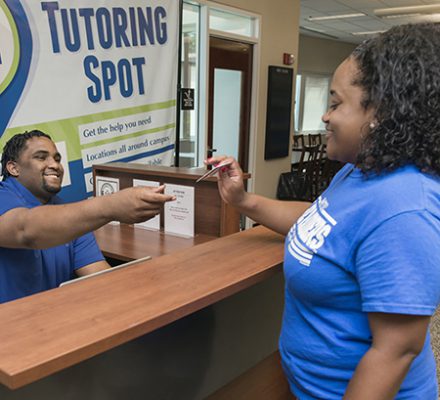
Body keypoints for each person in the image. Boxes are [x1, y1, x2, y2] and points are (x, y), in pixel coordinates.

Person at [208, 23, 440, 399]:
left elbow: (396, 351)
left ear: (380, 113)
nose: (325, 117)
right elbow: (322, 224)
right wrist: (243, 201)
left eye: (335, 103)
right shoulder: (360, 170)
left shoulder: (404, 212)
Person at [0, 130, 175, 303]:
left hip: (56, 315)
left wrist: (150, 293)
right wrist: (111, 206)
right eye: (41, 157)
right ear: (14, 168)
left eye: (57, 159)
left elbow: (100, 275)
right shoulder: (4, 198)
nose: (55, 165)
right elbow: (26, 230)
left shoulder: (66, 212)